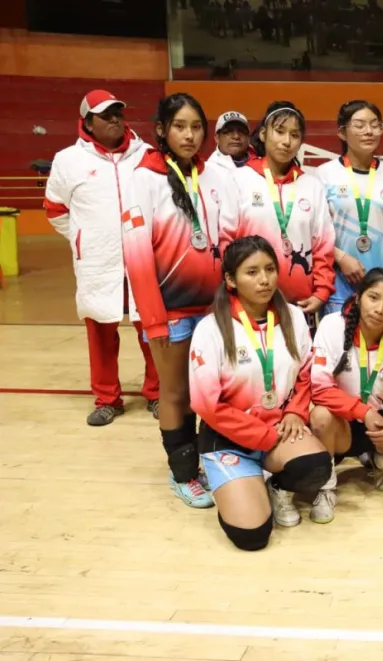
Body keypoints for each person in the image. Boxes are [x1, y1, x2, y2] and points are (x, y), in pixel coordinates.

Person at [189, 236, 332, 549]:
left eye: (270, 269)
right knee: (252, 537)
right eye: (251, 272)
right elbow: (206, 404)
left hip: (279, 427)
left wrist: (295, 410)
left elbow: (306, 371)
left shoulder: (293, 317)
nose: (264, 279)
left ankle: (276, 486)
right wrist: (263, 436)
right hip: (230, 438)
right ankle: (234, 481)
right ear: (230, 279)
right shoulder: (210, 330)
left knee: (316, 465)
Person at [123, 92, 231, 508]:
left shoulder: (212, 176)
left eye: (196, 127)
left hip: (211, 309)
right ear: (162, 130)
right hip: (169, 309)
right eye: (180, 126)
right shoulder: (144, 177)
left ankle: (205, 461)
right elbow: (136, 254)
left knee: (207, 393)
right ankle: (183, 474)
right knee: (176, 395)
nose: (189, 135)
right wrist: (153, 320)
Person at [44, 89, 160, 426]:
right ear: (87, 122)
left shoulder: (148, 155)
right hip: (97, 261)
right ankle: (108, 398)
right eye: (104, 115)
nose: (114, 120)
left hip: (143, 258)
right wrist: (84, 239)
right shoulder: (67, 160)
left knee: (152, 329)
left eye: (117, 113)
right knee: (100, 333)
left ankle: (156, 393)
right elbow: (55, 210)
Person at [310, 269, 383, 510]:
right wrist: (362, 412)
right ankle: (326, 486)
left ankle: (376, 460)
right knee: (320, 416)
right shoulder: (332, 326)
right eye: (373, 297)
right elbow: (319, 389)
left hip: (379, 427)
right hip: (340, 424)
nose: (380, 309)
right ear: (358, 296)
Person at [224, 101, 336, 332]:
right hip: (249, 305)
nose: (287, 141)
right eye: (280, 131)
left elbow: (323, 245)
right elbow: (227, 239)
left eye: (295, 135)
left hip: (300, 307)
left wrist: (322, 291)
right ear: (264, 134)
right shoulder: (239, 179)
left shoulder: (311, 185)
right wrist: (231, 291)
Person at [316, 101, 383, 315]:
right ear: (342, 132)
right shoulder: (324, 175)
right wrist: (341, 258)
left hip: (382, 287)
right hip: (339, 285)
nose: (369, 131)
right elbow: (317, 233)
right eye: (359, 125)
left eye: (375, 125)